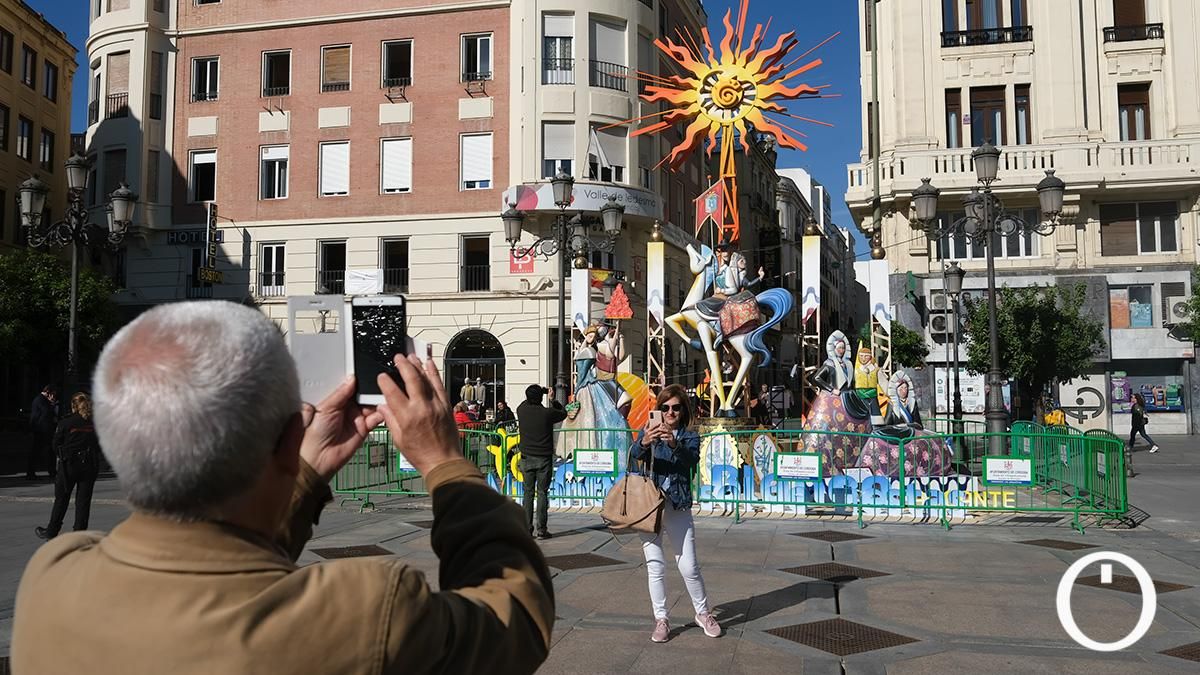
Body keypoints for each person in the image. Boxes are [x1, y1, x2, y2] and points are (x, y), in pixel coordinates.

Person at [11, 301, 554, 674]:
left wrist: (303, 476)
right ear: (292, 432)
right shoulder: (369, 611)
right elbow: (517, 615)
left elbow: (228, 568)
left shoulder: (52, 577)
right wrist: (443, 460)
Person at [631, 384, 721, 643]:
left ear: (683, 410)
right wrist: (645, 441)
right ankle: (661, 619)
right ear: (658, 409)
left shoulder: (689, 436)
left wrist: (672, 443)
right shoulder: (648, 430)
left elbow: (691, 461)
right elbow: (634, 456)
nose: (670, 413)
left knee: (689, 565)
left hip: (678, 505)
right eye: (665, 408)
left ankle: (703, 613)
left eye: (675, 408)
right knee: (655, 566)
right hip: (650, 507)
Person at [36, 393, 102, 540]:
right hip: (89, 465)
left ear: (73, 406)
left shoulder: (66, 422)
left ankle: (52, 531)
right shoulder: (94, 424)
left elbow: (55, 444)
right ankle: (79, 533)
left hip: (69, 465)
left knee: (61, 499)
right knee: (83, 502)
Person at [517, 384, 567, 539]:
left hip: (526, 458)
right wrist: (552, 399)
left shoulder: (522, 411)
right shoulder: (547, 413)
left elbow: (525, 402)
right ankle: (541, 530)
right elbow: (563, 413)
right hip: (543, 458)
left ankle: (526, 529)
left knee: (528, 493)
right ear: (540, 398)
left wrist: (539, 393)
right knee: (542, 493)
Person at [26, 385, 59, 480]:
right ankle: (32, 472)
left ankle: (51, 471)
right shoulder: (41, 400)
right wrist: (52, 404)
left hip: (43, 430)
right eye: (53, 394)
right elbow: (46, 413)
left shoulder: (40, 400)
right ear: (48, 392)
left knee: (47, 451)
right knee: (38, 451)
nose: (53, 397)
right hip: (41, 430)